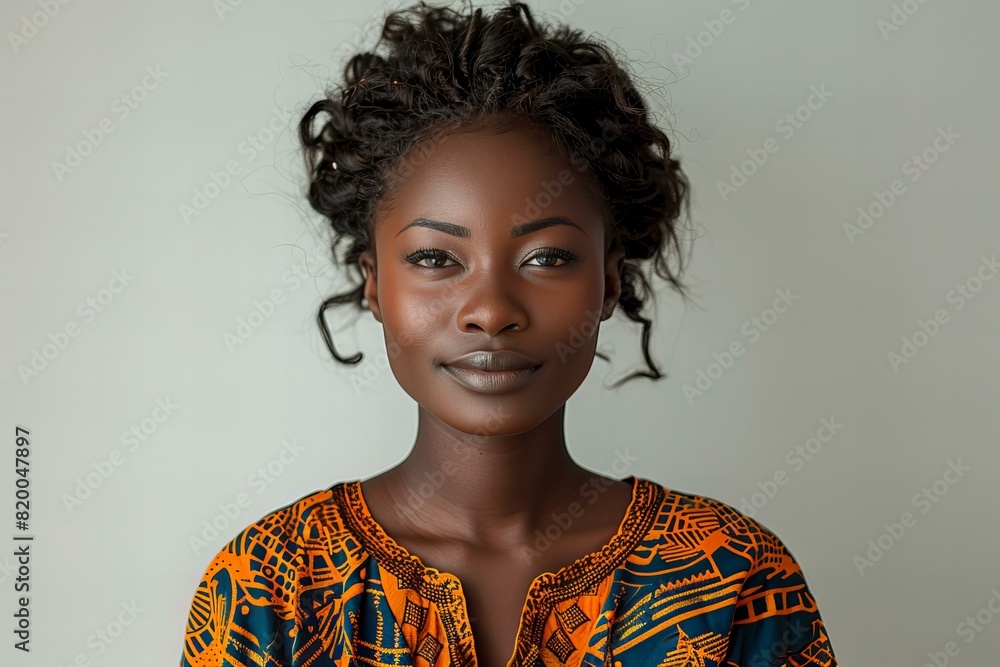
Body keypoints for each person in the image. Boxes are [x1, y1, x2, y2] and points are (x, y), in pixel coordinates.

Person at [179, 1, 839, 665]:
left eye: (547, 257)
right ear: (374, 281)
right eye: (435, 258)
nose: (490, 310)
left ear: (610, 282)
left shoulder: (734, 579)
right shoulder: (270, 586)